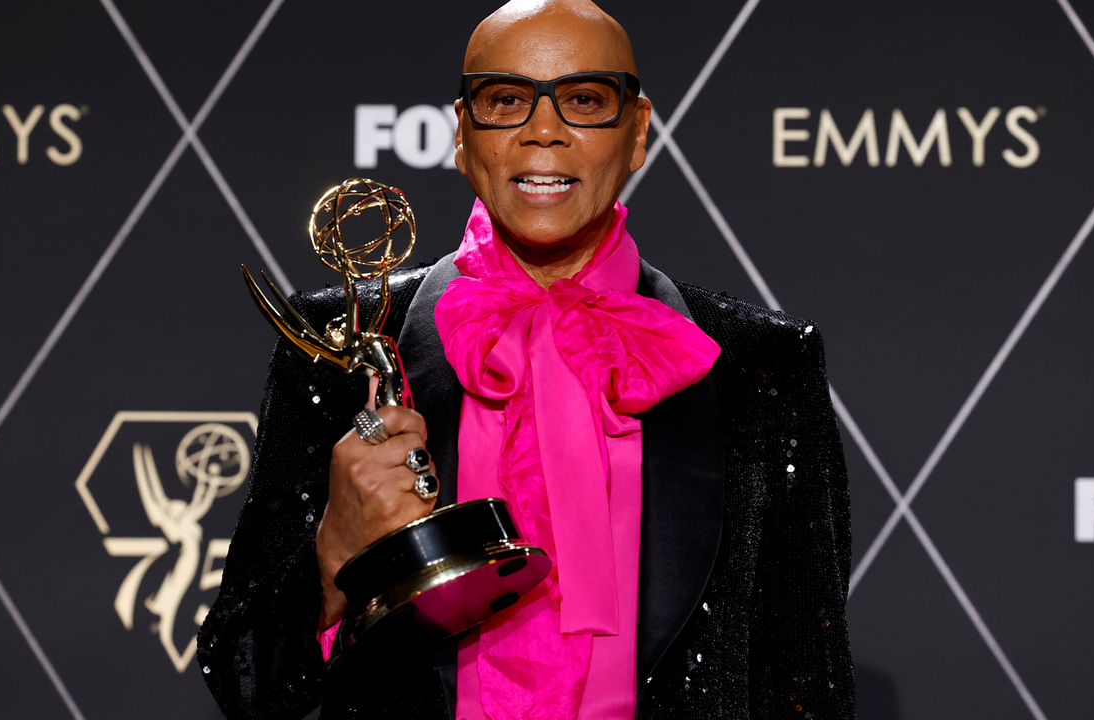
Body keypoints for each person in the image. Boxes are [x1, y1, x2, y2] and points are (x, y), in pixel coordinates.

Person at [198, 1, 855, 718]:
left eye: (583, 100)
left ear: (637, 133)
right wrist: (334, 557)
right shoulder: (344, 346)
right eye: (507, 100)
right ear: (461, 133)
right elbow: (246, 686)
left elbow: (807, 689)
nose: (544, 130)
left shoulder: (762, 368)